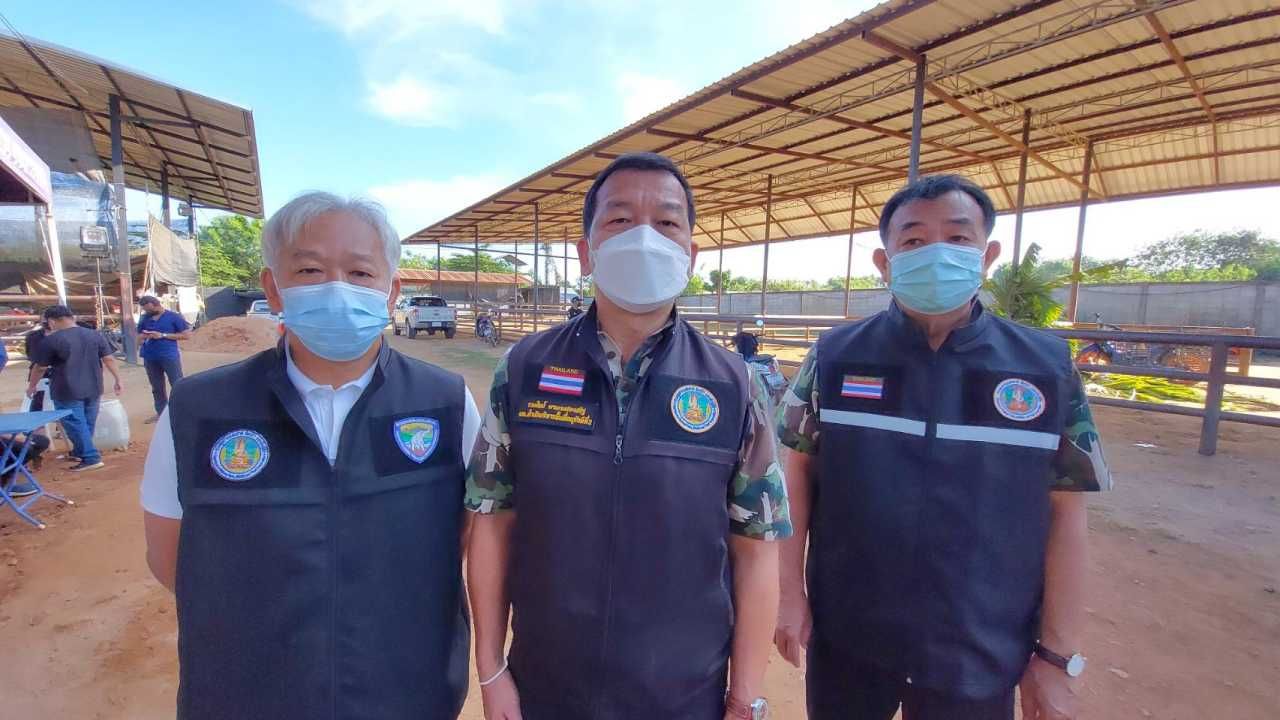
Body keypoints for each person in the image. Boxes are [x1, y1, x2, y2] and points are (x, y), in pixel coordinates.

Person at [774, 175, 1112, 720]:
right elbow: (795, 478)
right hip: (850, 638)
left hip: (979, 649)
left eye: (957, 238)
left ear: (987, 256)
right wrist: (788, 595)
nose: (936, 253)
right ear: (885, 263)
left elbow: (1067, 515)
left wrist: (1057, 654)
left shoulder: (1044, 369)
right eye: (913, 240)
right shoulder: (835, 357)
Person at [467, 152, 790, 720]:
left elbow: (756, 550)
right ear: (586, 252)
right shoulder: (523, 370)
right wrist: (491, 671)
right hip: (546, 689)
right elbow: (492, 525)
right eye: (619, 219)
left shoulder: (734, 384)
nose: (644, 237)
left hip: (684, 697)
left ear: (690, 254)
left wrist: (744, 697)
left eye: (666, 222)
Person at [140, 192, 481, 720]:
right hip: (247, 696)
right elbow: (171, 559)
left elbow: (461, 539)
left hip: (405, 691)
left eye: (360, 273)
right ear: (273, 287)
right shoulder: (199, 409)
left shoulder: (445, 402)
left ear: (392, 291)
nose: (337, 289)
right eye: (310, 270)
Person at [26, 305, 122, 472]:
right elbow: (109, 359)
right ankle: (80, 452)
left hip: (66, 388)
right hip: (94, 385)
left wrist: (32, 385)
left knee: (74, 423)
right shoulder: (94, 334)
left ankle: (90, 457)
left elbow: (40, 367)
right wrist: (117, 379)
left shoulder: (52, 340)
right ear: (72, 317)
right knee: (87, 422)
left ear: (52, 321)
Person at [136, 295, 191, 423]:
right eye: (145, 310)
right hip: (150, 357)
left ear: (156, 305)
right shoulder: (145, 318)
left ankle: (182, 412)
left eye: (148, 309)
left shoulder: (174, 317)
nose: (146, 312)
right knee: (157, 387)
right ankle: (161, 414)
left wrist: (163, 335)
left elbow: (186, 335)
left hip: (169, 356)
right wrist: (142, 337)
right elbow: (138, 336)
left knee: (177, 384)